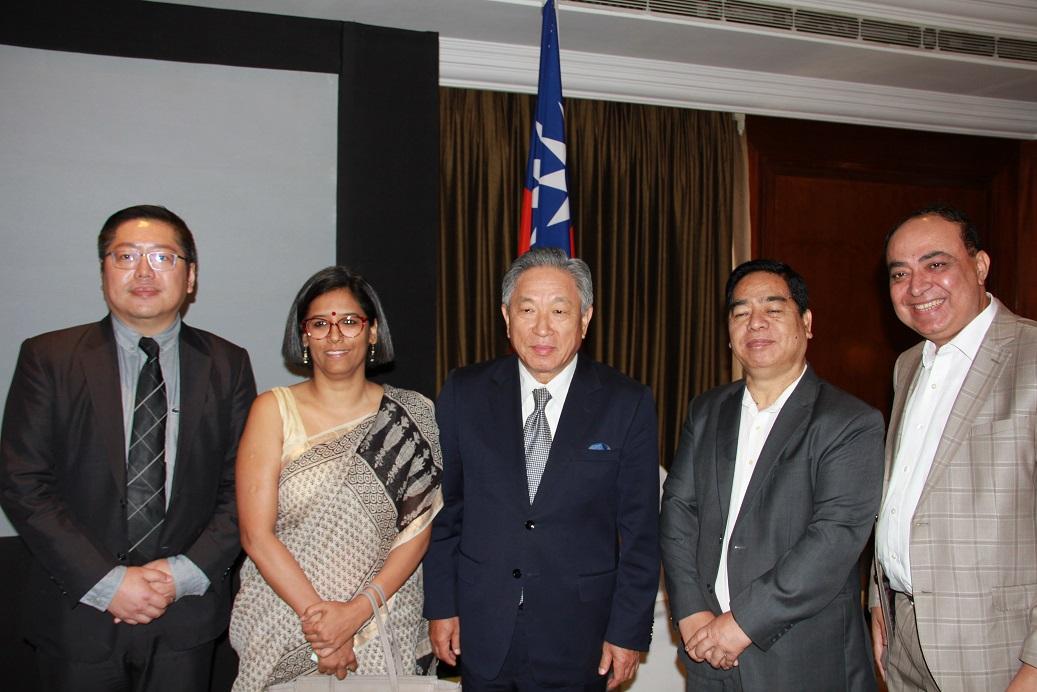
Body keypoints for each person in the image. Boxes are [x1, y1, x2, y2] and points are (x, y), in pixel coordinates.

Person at [0, 205, 256, 691]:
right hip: (76, 617)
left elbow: (244, 485)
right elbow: (22, 482)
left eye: (162, 257)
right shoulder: (48, 358)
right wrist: (107, 582)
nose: (143, 271)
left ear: (191, 276)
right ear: (103, 272)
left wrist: (183, 574)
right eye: (125, 256)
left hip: (185, 618)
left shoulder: (228, 363)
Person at [422, 247, 660, 691]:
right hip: (482, 627)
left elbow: (641, 534)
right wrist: (441, 606)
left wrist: (627, 633)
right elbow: (444, 512)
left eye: (559, 310)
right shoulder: (464, 392)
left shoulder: (626, 402)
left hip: (580, 636)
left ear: (585, 319)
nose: (542, 328)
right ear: (506, 317)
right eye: (527, 310)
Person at [660, 259, 884, 691]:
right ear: (729, 333)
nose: (755, 323)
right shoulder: (707, 411)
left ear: (806, 322)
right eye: (741, 312)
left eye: (773, 309)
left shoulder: (849, 421)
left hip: (801, 661)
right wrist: (690, 612)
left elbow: (832, 540)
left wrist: (741, 624)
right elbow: (678, 510)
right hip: (707, 654)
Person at [229, 266, 442, 690]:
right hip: (285, 622)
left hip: (383, 622)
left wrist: (356, 613)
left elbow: (418, 529)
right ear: (304, 335)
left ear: (373, 331)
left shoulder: (412, 415)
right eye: (320, 324)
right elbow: (256, 536)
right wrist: (324, 627)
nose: (335, 335)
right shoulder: (272, 410)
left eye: (349, 322)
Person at [871, 205, 1037, 691]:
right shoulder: (907, 366)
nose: (916, 285)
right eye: (900, 273)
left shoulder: (1030, 357)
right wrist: (881, 603)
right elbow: (899, 498)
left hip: (1001, 653)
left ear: (981, 265)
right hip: (906, 639)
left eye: (936, 264)